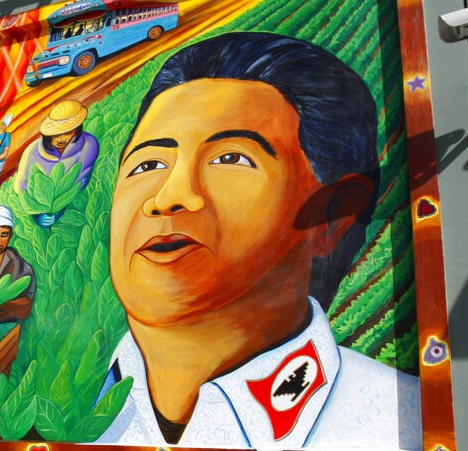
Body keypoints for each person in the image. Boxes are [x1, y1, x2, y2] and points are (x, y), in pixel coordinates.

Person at [96, 33, 420, 449]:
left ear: (331, 216)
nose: (169, 197)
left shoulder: (403, 425)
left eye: (230, 158)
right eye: (149, 163)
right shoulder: (55, 411)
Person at [13, 99, 99, 192]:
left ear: (76, 129)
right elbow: (21, 187)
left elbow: (80, 179)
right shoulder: (32, 150)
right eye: (56, 135)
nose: (61, 139)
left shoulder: (89, 143)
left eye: (68, 133)